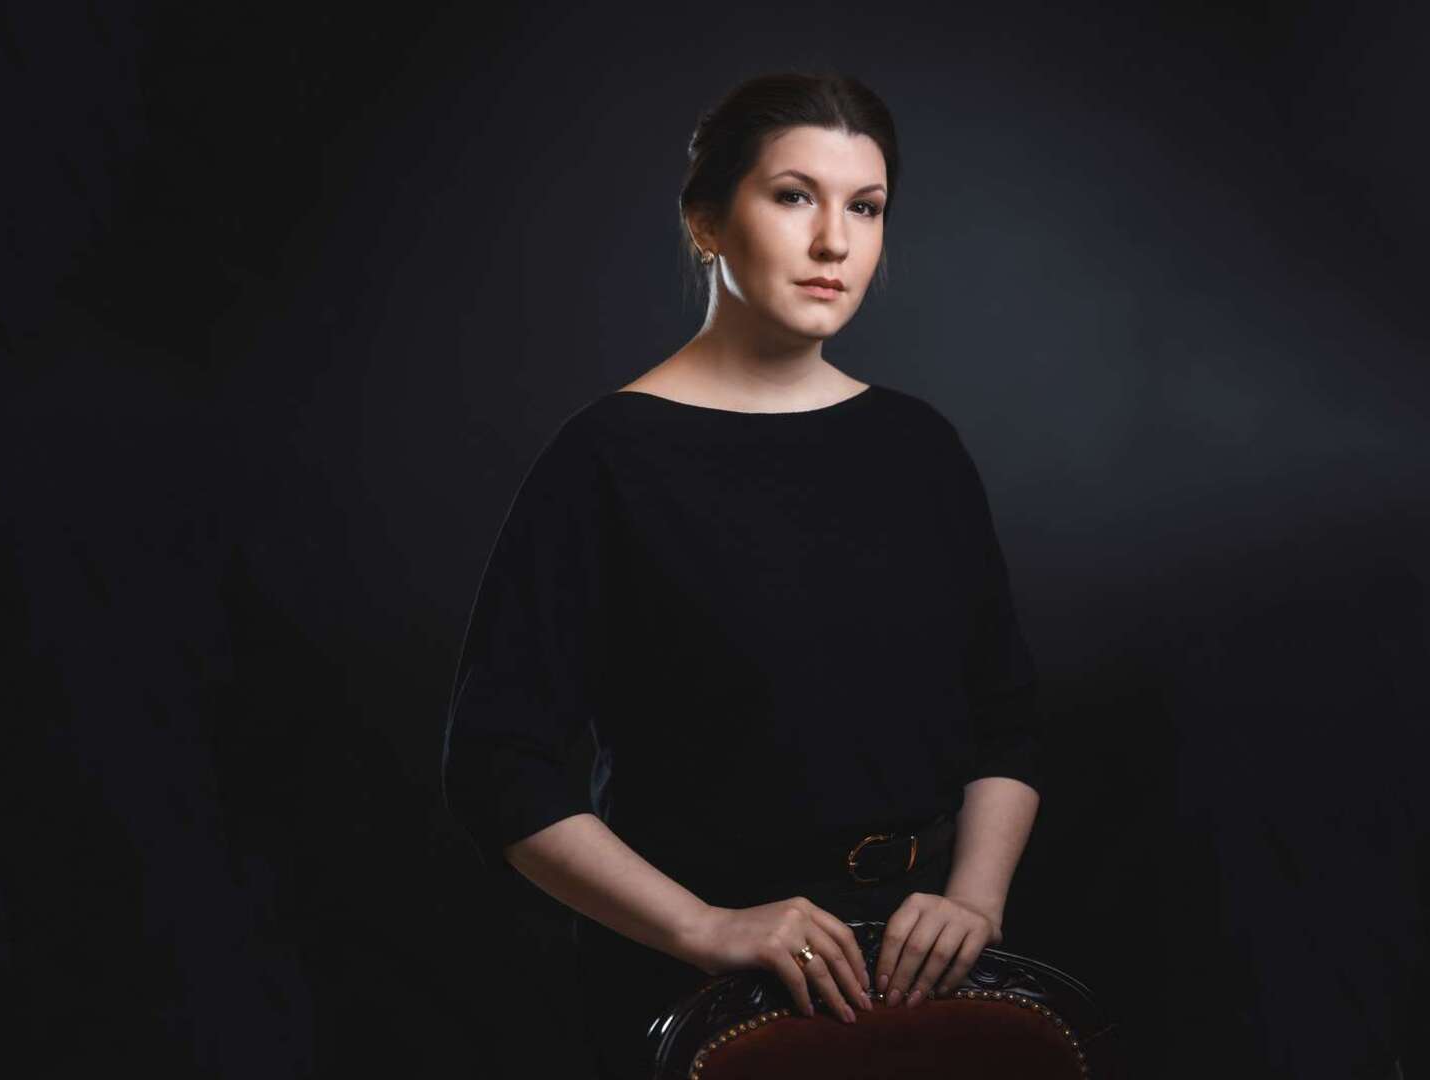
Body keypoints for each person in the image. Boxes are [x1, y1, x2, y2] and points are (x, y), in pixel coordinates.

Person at [441, 70, 1045, 1078]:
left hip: (923, 975)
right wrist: (703, 927)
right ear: (706, 222)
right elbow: (496, 767)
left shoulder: (920, 446)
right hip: (700, 993)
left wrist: (975, 900)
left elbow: (1006, 715)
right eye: (793, 196)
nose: (833, 242)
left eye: (866, 207)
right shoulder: (608, 458)